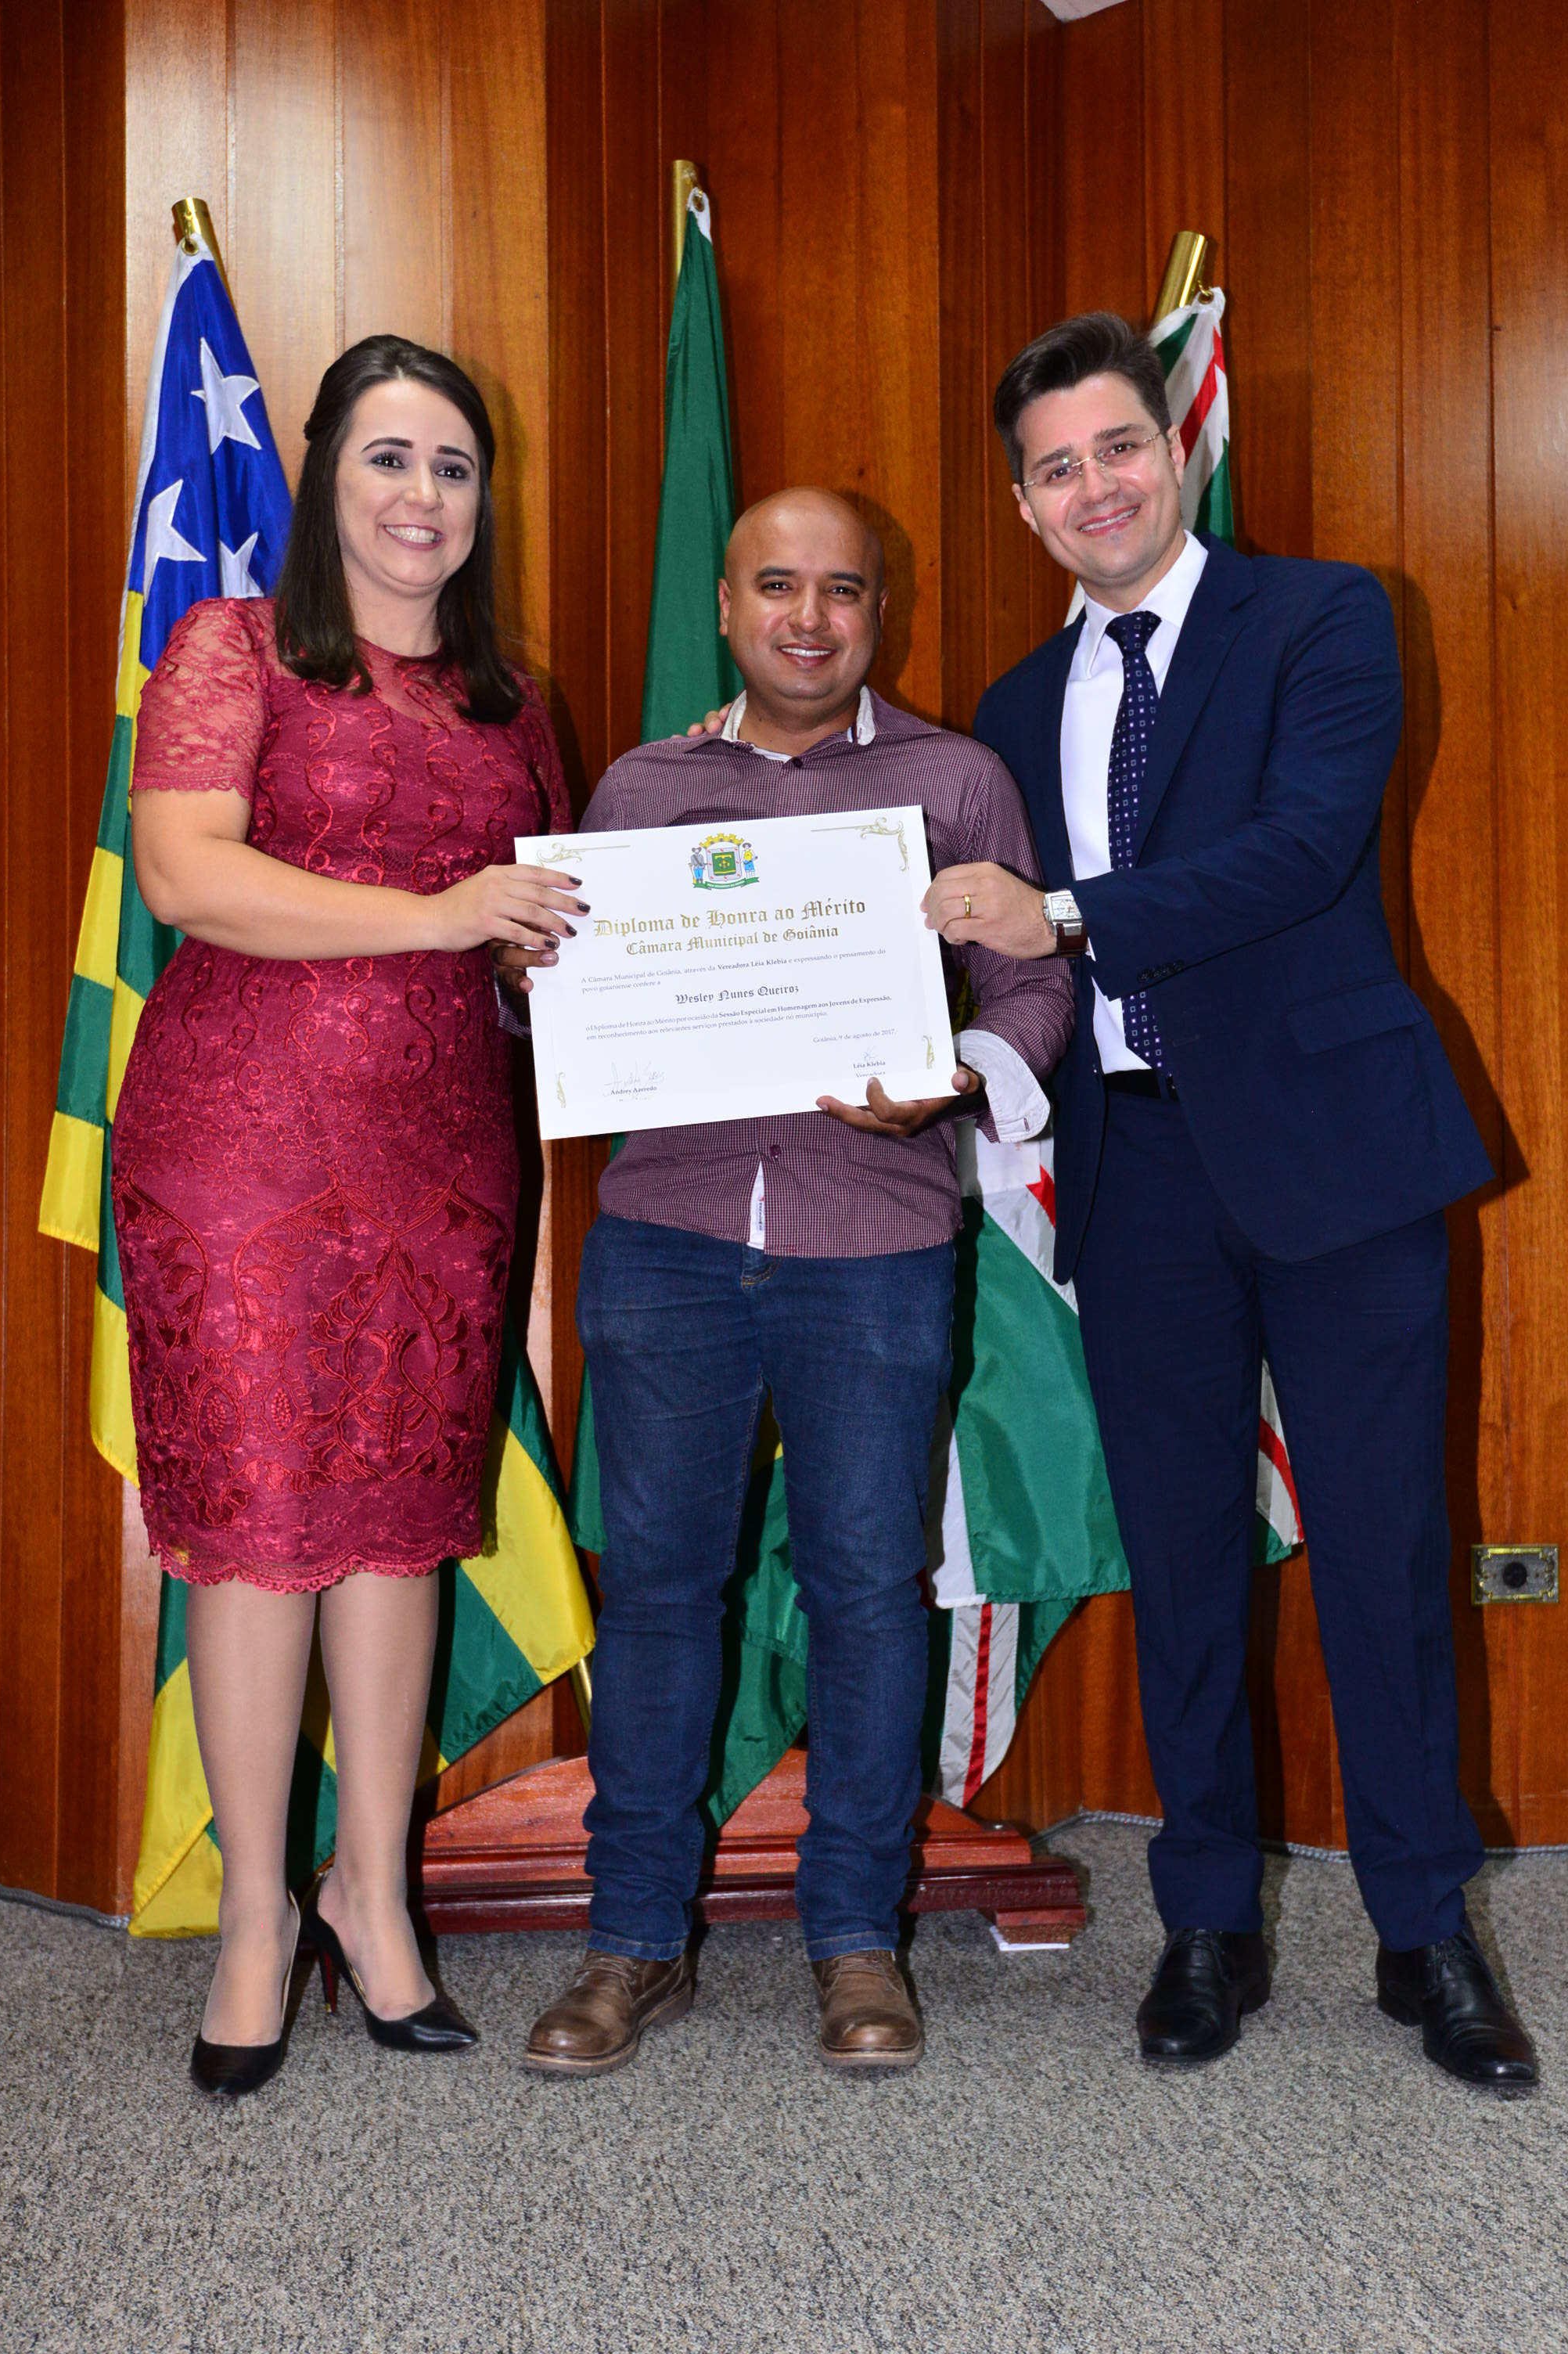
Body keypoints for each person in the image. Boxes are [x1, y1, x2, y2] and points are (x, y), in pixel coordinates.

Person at [924, 311, 1535, 2086]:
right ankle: (1206, 1923)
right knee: (1184, 1558)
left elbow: (1300, 848)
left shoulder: (1326, 617)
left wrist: (1058, 916)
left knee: (1382, 1551)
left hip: (1336, 1153)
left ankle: (1424, 1932)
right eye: (1055, 469)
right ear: (1025, 506)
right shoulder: (1012, 711)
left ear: (1173, 448)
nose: (1094, 487)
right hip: (1136, 1172)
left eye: (1117, 446)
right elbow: (994, 958)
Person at [496, 488, 1074, 2075]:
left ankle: (854, 1940)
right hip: (667, 1242)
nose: (807, 618)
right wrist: (527, 980)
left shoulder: (955, 780)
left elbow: (1032, 983)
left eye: (840, 590)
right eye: (775, 585)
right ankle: (632, 1942)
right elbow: (567, 1007)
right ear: (725, 603)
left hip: (873, 1244)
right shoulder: (640, 787)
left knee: (868, 1594)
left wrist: (959, 1071)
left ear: (879, 608)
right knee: (658, 1592)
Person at [114, 334, 583, 2097]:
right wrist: (445, 913)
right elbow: (188, 875)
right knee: (259, 1533)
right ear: (324, 478)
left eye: (453, 466)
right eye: (387, 457)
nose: (421, 496)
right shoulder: (233, 648)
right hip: (237, 1153)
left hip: (444, 1159)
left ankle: (370, 1896)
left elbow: (542, 929)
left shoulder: (514, 703)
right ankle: (257, 1921)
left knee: (399, 1530)